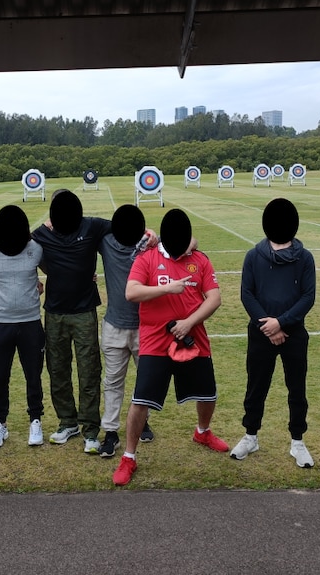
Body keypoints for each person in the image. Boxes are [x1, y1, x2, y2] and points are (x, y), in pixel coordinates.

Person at [113, 208, 228, 486]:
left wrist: (189, 322)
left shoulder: (199, 259)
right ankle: (129, 456)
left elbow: (214, 298)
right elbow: (132, 292)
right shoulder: (147, 258)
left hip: (193, 336)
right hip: (155, 341)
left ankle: (202, 431)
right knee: (141, 400)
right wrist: (167, 288)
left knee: (208, 393)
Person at [232, 198, 316, 468]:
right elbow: (247, 294)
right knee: (256, 387)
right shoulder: (254, 256)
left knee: (297, 388)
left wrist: (281, 323)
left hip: (293, 334)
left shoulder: (304, 258)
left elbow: (307, 296)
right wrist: (267, 327)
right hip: (260, 334)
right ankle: (250, 435)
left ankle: (298, 441)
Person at [32, 190, 110, 454]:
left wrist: (149, 232)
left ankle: (90, 429)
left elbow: (125, 229)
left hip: (84, 311)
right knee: (58, 370)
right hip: (54, 313)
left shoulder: (92, 226)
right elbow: (15, 248)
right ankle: (68, 422)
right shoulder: (41, 234)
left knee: (89, 371)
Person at [0, 204, 46, 448]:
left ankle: (36, 420)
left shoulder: (36, 249)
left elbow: (56, 270)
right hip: (0, 324)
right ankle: (0, 422)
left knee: (33, 375)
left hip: (31, 322)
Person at [97, 204, 157, 458]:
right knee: (112, 382)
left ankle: (142, 421)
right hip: (114, 326)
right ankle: (110, 432)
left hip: (144, 327)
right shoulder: (105, 241)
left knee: (144, 383)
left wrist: (153, 235)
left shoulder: (150, 243)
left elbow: (189, 242)